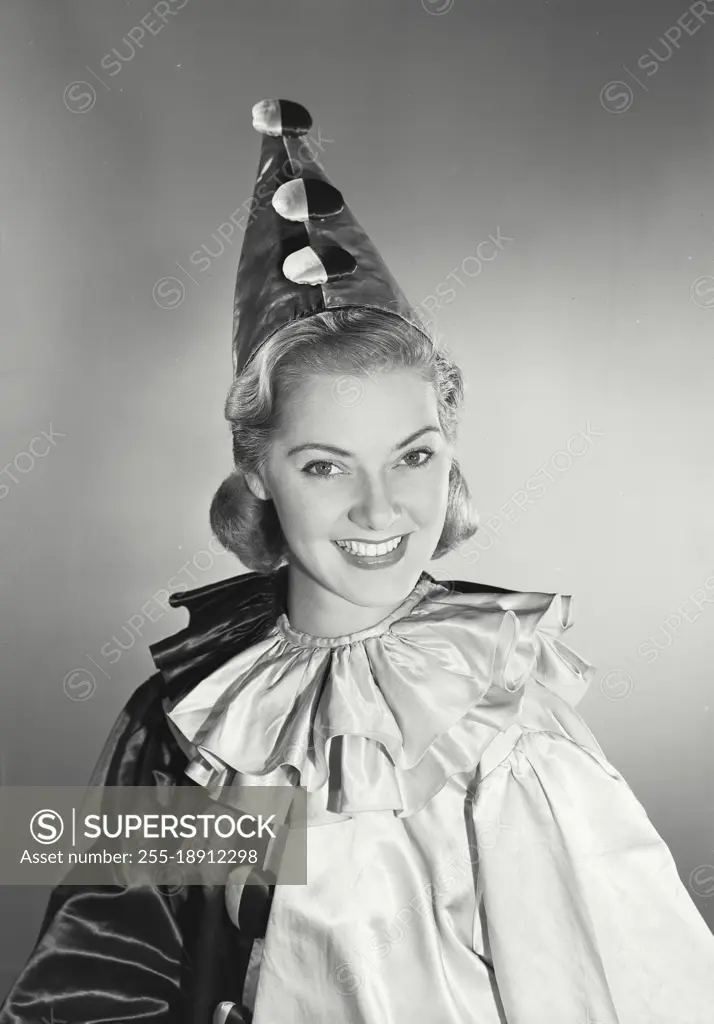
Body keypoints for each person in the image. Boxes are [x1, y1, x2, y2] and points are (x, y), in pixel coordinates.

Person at [2, 97, 714, 1024]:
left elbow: (625, 995)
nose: (382, 510)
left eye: (413, 455)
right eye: (326, 464)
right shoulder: (185, 719)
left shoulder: (504, 737)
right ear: (258, 472)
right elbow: (104, 965)